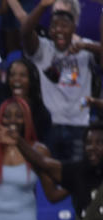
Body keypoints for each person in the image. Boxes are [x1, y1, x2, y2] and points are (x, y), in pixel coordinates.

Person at [22, 0, 96, 161]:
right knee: (48, 177)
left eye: (64, 26)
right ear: (49, 29)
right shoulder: (43, 49)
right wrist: (42, 6)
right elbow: (26, 32)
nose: (59, 31)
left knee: (76, 179)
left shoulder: (85, 49)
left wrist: (86, 47)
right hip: (50, 125)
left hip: (80, 125)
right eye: (55, 26)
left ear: (74, 28)